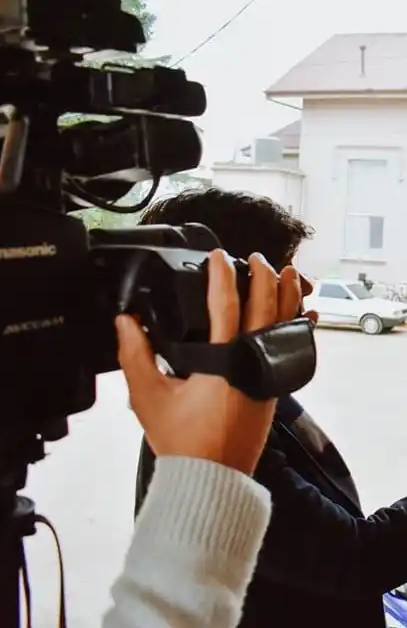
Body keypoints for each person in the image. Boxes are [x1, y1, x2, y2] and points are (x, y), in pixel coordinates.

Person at [132, 188, 407, 627]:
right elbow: (358, 558)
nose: (303, 287)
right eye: (278, 270)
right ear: (214, 291)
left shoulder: (244, 397)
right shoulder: (206, 434)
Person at [103, 248, 299, 627]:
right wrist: (210, 471)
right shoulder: (227, 419)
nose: (299, 289)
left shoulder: (238, 407)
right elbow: (357, 558)